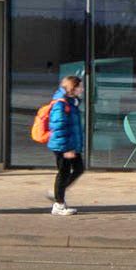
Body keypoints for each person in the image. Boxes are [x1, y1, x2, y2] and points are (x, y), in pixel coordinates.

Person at [41, 72, 86, 216]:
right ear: (73, 88)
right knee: (64, 172)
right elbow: (59, 127)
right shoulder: (61, 103)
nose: (82, 89)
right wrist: (67, 148)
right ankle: (59, 204)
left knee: (79, 168)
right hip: (63, 146)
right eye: (80, 87)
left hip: (70, 144)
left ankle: (56, 194)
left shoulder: (72, 102)